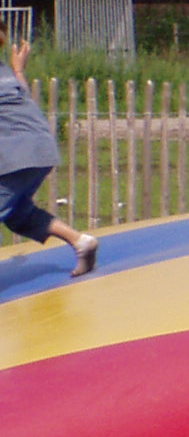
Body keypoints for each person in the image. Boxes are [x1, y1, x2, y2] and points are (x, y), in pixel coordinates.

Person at [0, 36, 97, 277]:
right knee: (18, 214)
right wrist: (19, 69)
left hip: (17, 152)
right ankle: (80, 242)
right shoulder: (6, 73)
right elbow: (22, 95)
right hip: (41, 149)